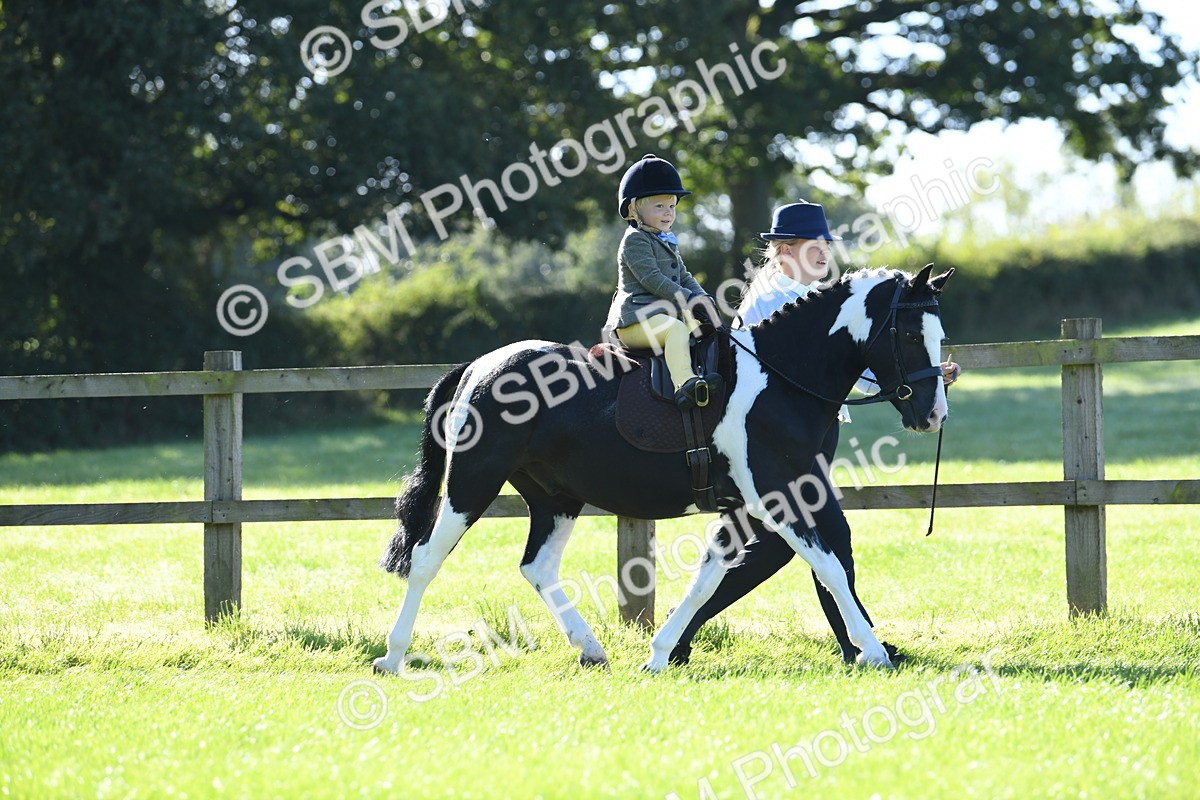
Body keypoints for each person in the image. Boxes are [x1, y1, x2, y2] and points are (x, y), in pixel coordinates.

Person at [668, 200, 961, 665]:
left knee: (780, 544)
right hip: (773, 441)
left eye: (826, 243)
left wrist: (922, 379)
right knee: (820, 536)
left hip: (808, 435)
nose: (825, 251)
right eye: (813, 244)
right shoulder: (771, 298)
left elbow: (845, 368)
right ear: (784, 250)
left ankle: (680, 631)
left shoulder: (815, 295)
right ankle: (859, 647)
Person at [604, 154, 719, 410]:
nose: (668, 213)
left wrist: (703, 298)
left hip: (661, 316)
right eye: (659, 207)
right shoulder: (634, 240)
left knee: (706, 329)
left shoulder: (666, 240)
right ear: (633, 210)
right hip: (635, 321)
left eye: (672, 206)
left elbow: (685, 276)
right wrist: (689, 299)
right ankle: (685, 385)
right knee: (676, 330)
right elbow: (652, 279)